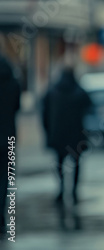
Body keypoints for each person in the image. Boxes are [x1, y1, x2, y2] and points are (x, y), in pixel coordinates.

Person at [42, 67, 91, 204]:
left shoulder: (52, 91)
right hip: (76, 135)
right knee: (76, 163)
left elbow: (44, 113)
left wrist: (48, 131)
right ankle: (74, 190)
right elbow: (89, 105)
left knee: (59, 162)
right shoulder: (79, 92)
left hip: (58, 134)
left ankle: (61, 188)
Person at [0, 55, 21, 237]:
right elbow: (17, 107)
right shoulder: (14, 83)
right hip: (8, 138)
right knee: (6, 178)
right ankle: (2, 214)